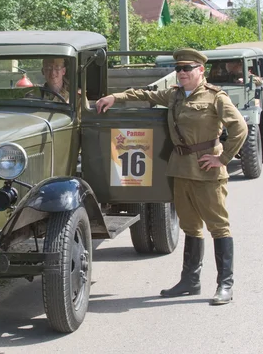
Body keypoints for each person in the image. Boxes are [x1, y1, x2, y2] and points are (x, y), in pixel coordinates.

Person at [95, 48, 247, 305]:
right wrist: (115, 97)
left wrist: (222, 159)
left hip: (207, 172)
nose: (182, 73)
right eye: (178, 69)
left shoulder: (216, 98)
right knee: (190, 227)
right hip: (180, 170)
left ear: (201, 70)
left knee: (218, 227)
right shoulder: (174, 95)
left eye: (187, 68)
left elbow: (239, 128)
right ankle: (190, 280)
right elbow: (145, 93)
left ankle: (225, 285)